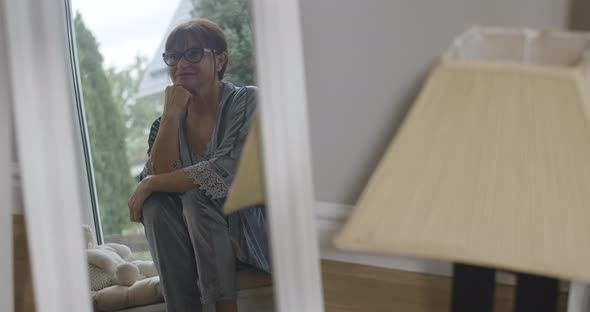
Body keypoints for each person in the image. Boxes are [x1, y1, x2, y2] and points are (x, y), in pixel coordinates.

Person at [127, 19, 271, 312]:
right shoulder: (162, 124)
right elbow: (154, 184)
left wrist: (148, 183)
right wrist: (170, 116)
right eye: (173, 56)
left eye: (193, 53)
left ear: (219, 59)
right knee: (156, 205)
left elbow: (224, 173)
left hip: (251, 232)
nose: (181, 64)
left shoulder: (247, 101)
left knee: (197, 194)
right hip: (193, 244)